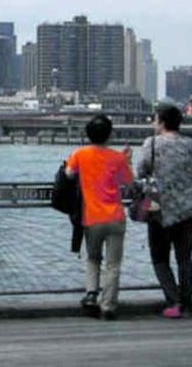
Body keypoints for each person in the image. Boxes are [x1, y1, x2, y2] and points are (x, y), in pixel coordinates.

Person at [65, 114, 133, 320]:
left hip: (92, 217)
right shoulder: (117, 158)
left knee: (93, 259)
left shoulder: (80, 154)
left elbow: (68, 174)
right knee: (113, 265)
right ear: (109, 135)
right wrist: (127, 161)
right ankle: (108, 306)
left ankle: (91, 294)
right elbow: (128, 182)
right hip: (115, 217)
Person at [138, 102, 192, 319]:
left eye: (155, 119)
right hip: (187, 209)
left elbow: (141, 171)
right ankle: (188, 301)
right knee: (185, 258)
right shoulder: (189, 145)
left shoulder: (151, 144)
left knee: (160, 258)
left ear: (161, 122)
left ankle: (173, 301)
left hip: (158, 209)